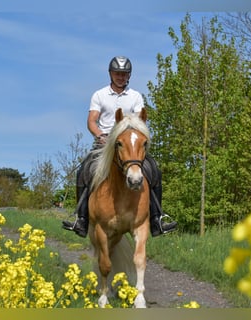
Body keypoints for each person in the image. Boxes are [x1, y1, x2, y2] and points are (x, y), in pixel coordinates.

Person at [62, 56, 177, 237]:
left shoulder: (135, 96)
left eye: (124, 74)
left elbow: (140, 122)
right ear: (111, 74)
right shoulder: (99, 95)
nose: (120, 77)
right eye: (117, 73)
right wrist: (100, 135)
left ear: (129, 76)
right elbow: (91, 121)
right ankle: (81, 219)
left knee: (154, 169)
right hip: (105, 143)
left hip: (129, 145)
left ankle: (157, 219)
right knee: (85, 170)